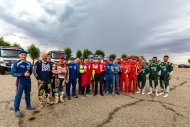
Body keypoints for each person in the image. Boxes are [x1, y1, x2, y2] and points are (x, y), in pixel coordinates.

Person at [11, 50, 36, 117]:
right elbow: (13, 73)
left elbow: (30, 72)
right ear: (19, 55)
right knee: (18, 95)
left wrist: (28, 74)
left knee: (27, 94)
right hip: (20, 82)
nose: (24, 56)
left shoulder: (29, 63)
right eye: (22, 54)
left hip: (28, 82)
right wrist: (23, 74)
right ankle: (17, 110)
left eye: (25, 55)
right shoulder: (16, 63)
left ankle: (28, 106)